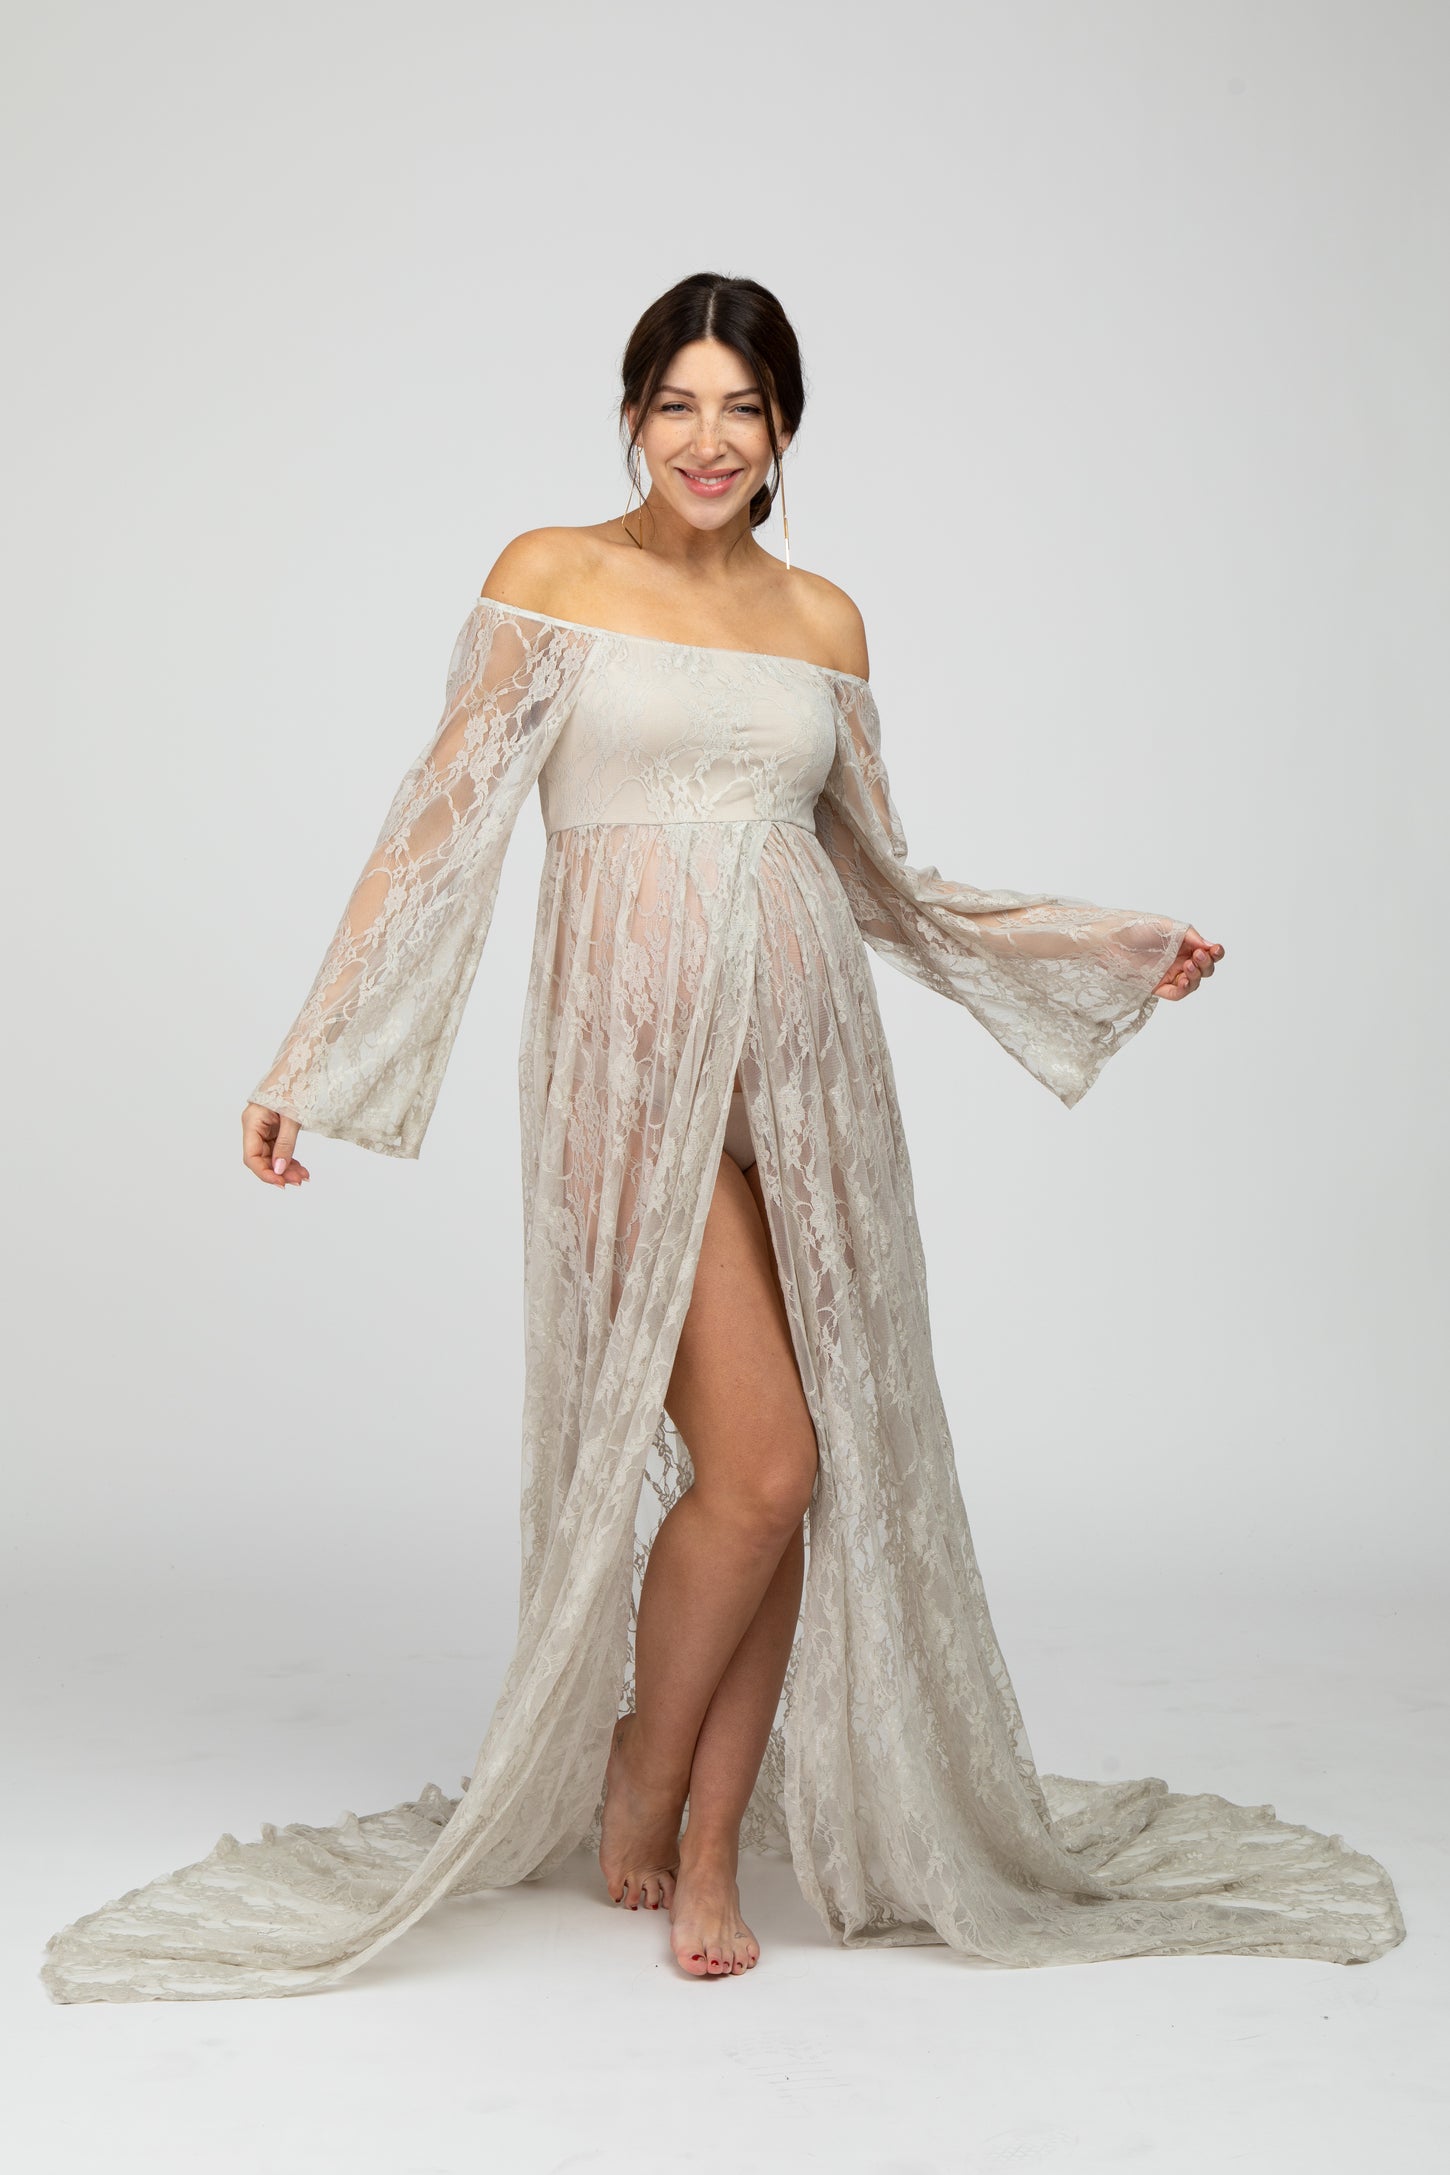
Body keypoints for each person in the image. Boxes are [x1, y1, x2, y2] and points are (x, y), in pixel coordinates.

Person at [41, 272, 1403, 2005]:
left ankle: (707, 1837)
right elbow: (438, 826)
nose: (708, 440)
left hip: (812, 1071)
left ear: (783, 430)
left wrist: (1095, 944)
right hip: (628, 1071)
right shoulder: (552, 576)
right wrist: (311, 1054)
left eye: (742, 409)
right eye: (677, 404)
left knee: (806, 1472)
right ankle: (638, 1756)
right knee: (756, 1466)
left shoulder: (822, 617)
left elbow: (879, 879)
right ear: (631, 416)